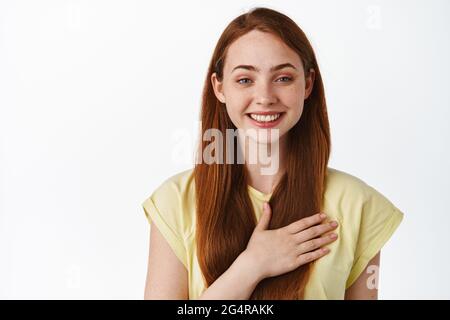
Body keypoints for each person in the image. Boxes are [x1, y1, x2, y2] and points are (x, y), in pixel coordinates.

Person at [142, 7, 404, 300]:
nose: (265, 97)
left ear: (307, 84)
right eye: (245, 80)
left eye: (283, 78)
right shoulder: (174, 201)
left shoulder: (358, 204)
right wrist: (252, 266)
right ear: (219, 88)